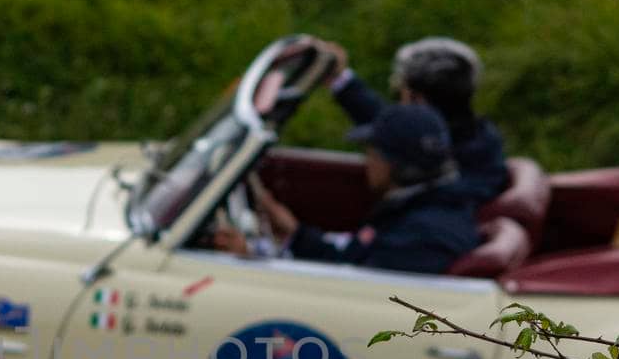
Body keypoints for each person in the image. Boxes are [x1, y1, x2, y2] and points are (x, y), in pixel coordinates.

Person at [215, 103, 481, 274]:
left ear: (399, 166)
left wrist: (248, 264)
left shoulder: (423, 236)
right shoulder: (421, 212)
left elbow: (348, 287)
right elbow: (352, 257)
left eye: (374, 155)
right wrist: (295, 234)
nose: (368, 163)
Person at [326, 37, 509, 205]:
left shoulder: (443, 176)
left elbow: (395, 129)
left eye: (402, 92)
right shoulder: (477, 140)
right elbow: (392, 126)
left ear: (417, 99)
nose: (400, 102)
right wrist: (339, 79)